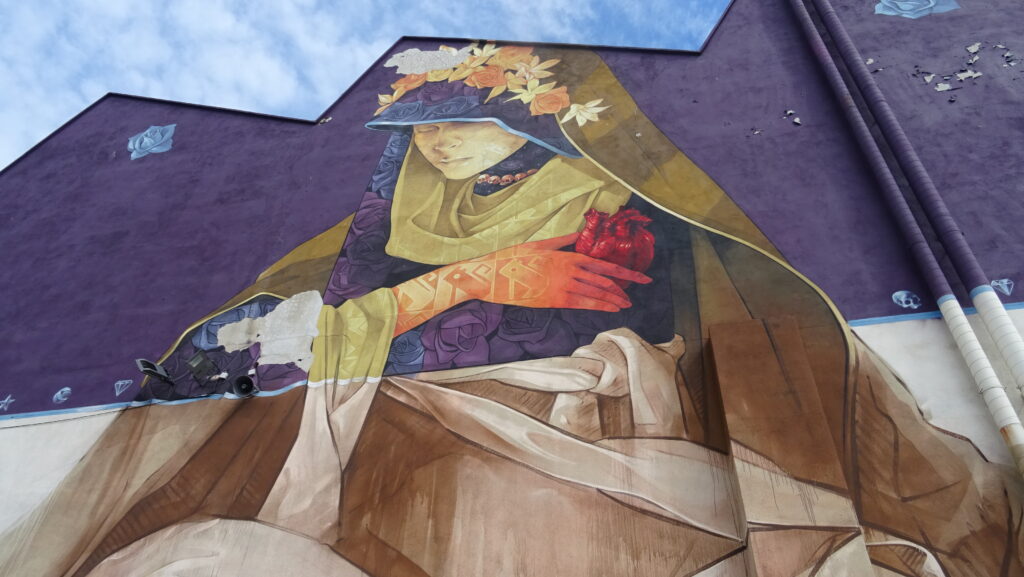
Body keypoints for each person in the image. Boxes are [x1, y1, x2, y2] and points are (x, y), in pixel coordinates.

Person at [1, 42, 1020, 577]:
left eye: (469, 118)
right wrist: (467, 279)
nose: (439, 140)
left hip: (591, 422)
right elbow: (282, 337)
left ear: (543, 123)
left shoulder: (631, 204)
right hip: (398, 421)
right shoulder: (389, 211)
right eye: (423, 124)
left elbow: (718, 329)